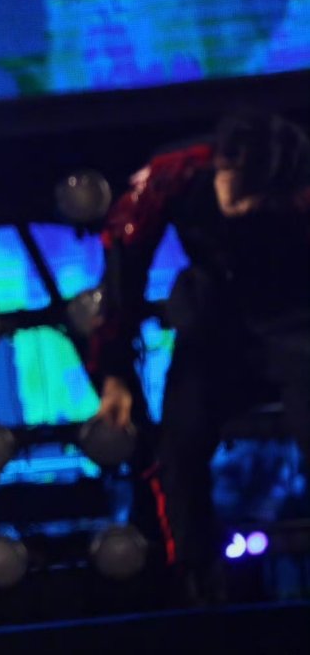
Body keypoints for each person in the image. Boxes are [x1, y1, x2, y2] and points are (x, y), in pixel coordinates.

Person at [89, 110, 310, 601]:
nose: (242, 204)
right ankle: (194, 585)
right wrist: (116, 373)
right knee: (178, 447)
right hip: (215, 328)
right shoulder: (175, 173)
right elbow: (124, 265)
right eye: (238, 184)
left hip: (296, 321)